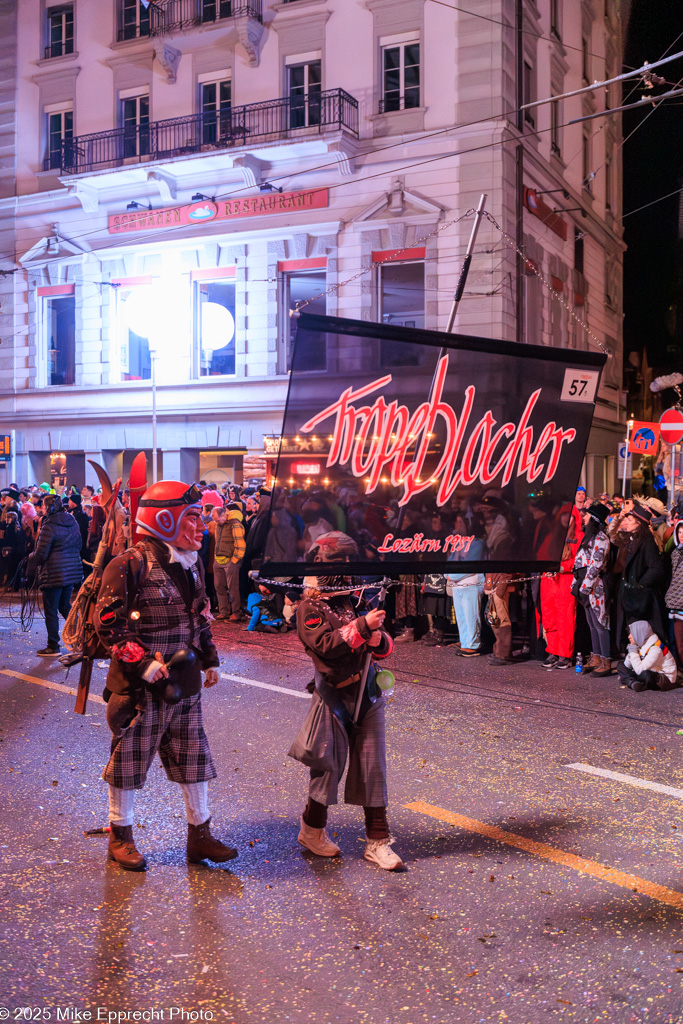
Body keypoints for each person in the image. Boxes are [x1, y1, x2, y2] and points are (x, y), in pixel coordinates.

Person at [94, 479, 237, 872]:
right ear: (164, 519)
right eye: (193, 517)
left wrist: (211, 659)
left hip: (186, 685)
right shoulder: (128, 564)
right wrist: (143, 664)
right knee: (130, 762)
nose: (203, 525)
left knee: (194, 759)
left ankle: (200, 835)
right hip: (141, 690)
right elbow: (109, 623)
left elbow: (201, 615)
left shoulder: (191, 564)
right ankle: (120, 837)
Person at [289, 531, 401, 870]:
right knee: (326, 768)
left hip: (367, 690)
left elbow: (383, 644)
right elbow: (326, 646)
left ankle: (378, 841)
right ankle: (311, 830)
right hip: (333, 695)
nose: (349, 571)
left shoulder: (354, 598)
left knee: (372, 767)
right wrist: (363, 628)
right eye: (342, 564)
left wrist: (378, 636)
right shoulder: (310, 606)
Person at [31, 495, 83, 655]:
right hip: (70, 571)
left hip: (53, 573)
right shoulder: (71, 521)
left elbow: (41, 554)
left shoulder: (49, 525)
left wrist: (29, 559)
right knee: (65, 605)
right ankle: (82, 636)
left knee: (51, 609)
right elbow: (79, 544)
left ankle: (53, 645)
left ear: (49, 508)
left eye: (44, 506)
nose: (42, 509)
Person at [539, 503, 582, 669]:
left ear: (575, 518)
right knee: (550, 618)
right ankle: (553, 651)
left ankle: (565, 655)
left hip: (565, 582)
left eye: (569, 515)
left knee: (565, 619)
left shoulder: (579, 537)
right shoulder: (552, 535)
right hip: (548, 582)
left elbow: (579, 561)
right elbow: (542, 555)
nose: (566, 518)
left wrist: (562, 567)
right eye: (563, 515)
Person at [573, 502, 612, 676]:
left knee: (600, 623)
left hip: (595, 587)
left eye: (587, 515)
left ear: (594, 519)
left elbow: (595, 565)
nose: (584, 517)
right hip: (584, 585)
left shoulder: (601, 538)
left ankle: (606, 659)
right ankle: (596, 656)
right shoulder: (588, 536)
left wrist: (585, 587)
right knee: (591, 624)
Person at [616, 620, 677, 692]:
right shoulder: (642, 643)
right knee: (621, 665)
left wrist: (633, 652)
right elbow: (627, 665)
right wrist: (631, 652)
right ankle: (633, 683)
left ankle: (629, 680)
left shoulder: (656, 648)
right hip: (650, 671)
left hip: (664, 679)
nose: (629, 637)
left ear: (639, 634)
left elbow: (640, 670)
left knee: (645, 673)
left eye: (631, 634)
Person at [213, 502, 246, 621]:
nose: (217, 522)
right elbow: (217, 543)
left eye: (218, 520)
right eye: (215, 520)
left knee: (233, 588)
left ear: (224, 515)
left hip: (231, 560)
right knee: (219, 586)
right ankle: (224, 611)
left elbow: (240, 545)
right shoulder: (218, 525)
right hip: (218, 559)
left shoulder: (235, 524)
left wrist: (235, 560)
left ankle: (236, 612)